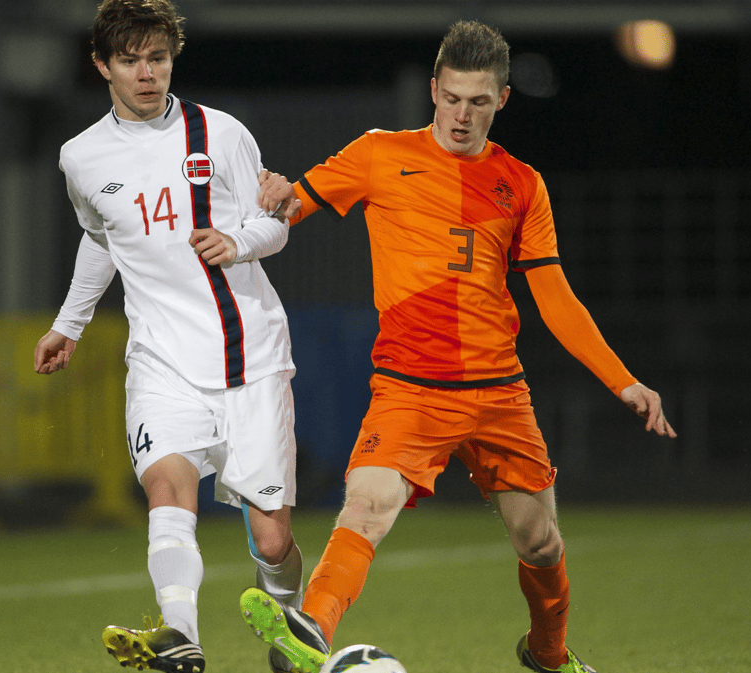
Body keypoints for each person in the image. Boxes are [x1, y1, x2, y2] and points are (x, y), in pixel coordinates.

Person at [237, 20, 676, 673]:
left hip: (499, 393)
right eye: (451, 98)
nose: (461, 115)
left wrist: (623, 381)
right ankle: (311, 631)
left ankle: (549, 655)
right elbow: (292, 206)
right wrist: (273, 199)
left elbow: (555, 297)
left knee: (541, 541)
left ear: (501, 100)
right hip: (410, 385)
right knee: (367, 502)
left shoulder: (522, 184)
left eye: (478, 101)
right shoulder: (380, 154)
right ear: (434, 89)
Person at [32, 2, 305, 672]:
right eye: (130, 60)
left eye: (157, 58)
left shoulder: (221, 133)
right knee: (167, 490)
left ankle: (293, 624)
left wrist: (237, 241)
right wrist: (70, 323)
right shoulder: (82, 157)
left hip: (250, 353)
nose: (146, 73)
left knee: (272, 540)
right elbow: (102, 239)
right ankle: (181, 636)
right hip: (160, 360)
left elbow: (276, 223)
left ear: (172, 59)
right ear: (103, 66)